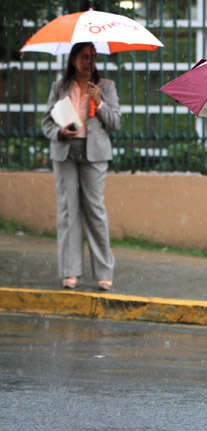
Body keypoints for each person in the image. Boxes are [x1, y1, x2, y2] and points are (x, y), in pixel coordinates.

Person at [41, 42, 121, 291]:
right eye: (85, 57)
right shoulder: (59, 87)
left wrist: (100, 103)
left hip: (94, 154)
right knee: (68, 211)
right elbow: (46, 122)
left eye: (93, 57)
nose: (90, 62)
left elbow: (116, 123)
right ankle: (70, 271)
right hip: (65, 151)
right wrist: (59, 132)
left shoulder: (105, 87)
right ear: (74, 59)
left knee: (95, 211)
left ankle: (104, 272)